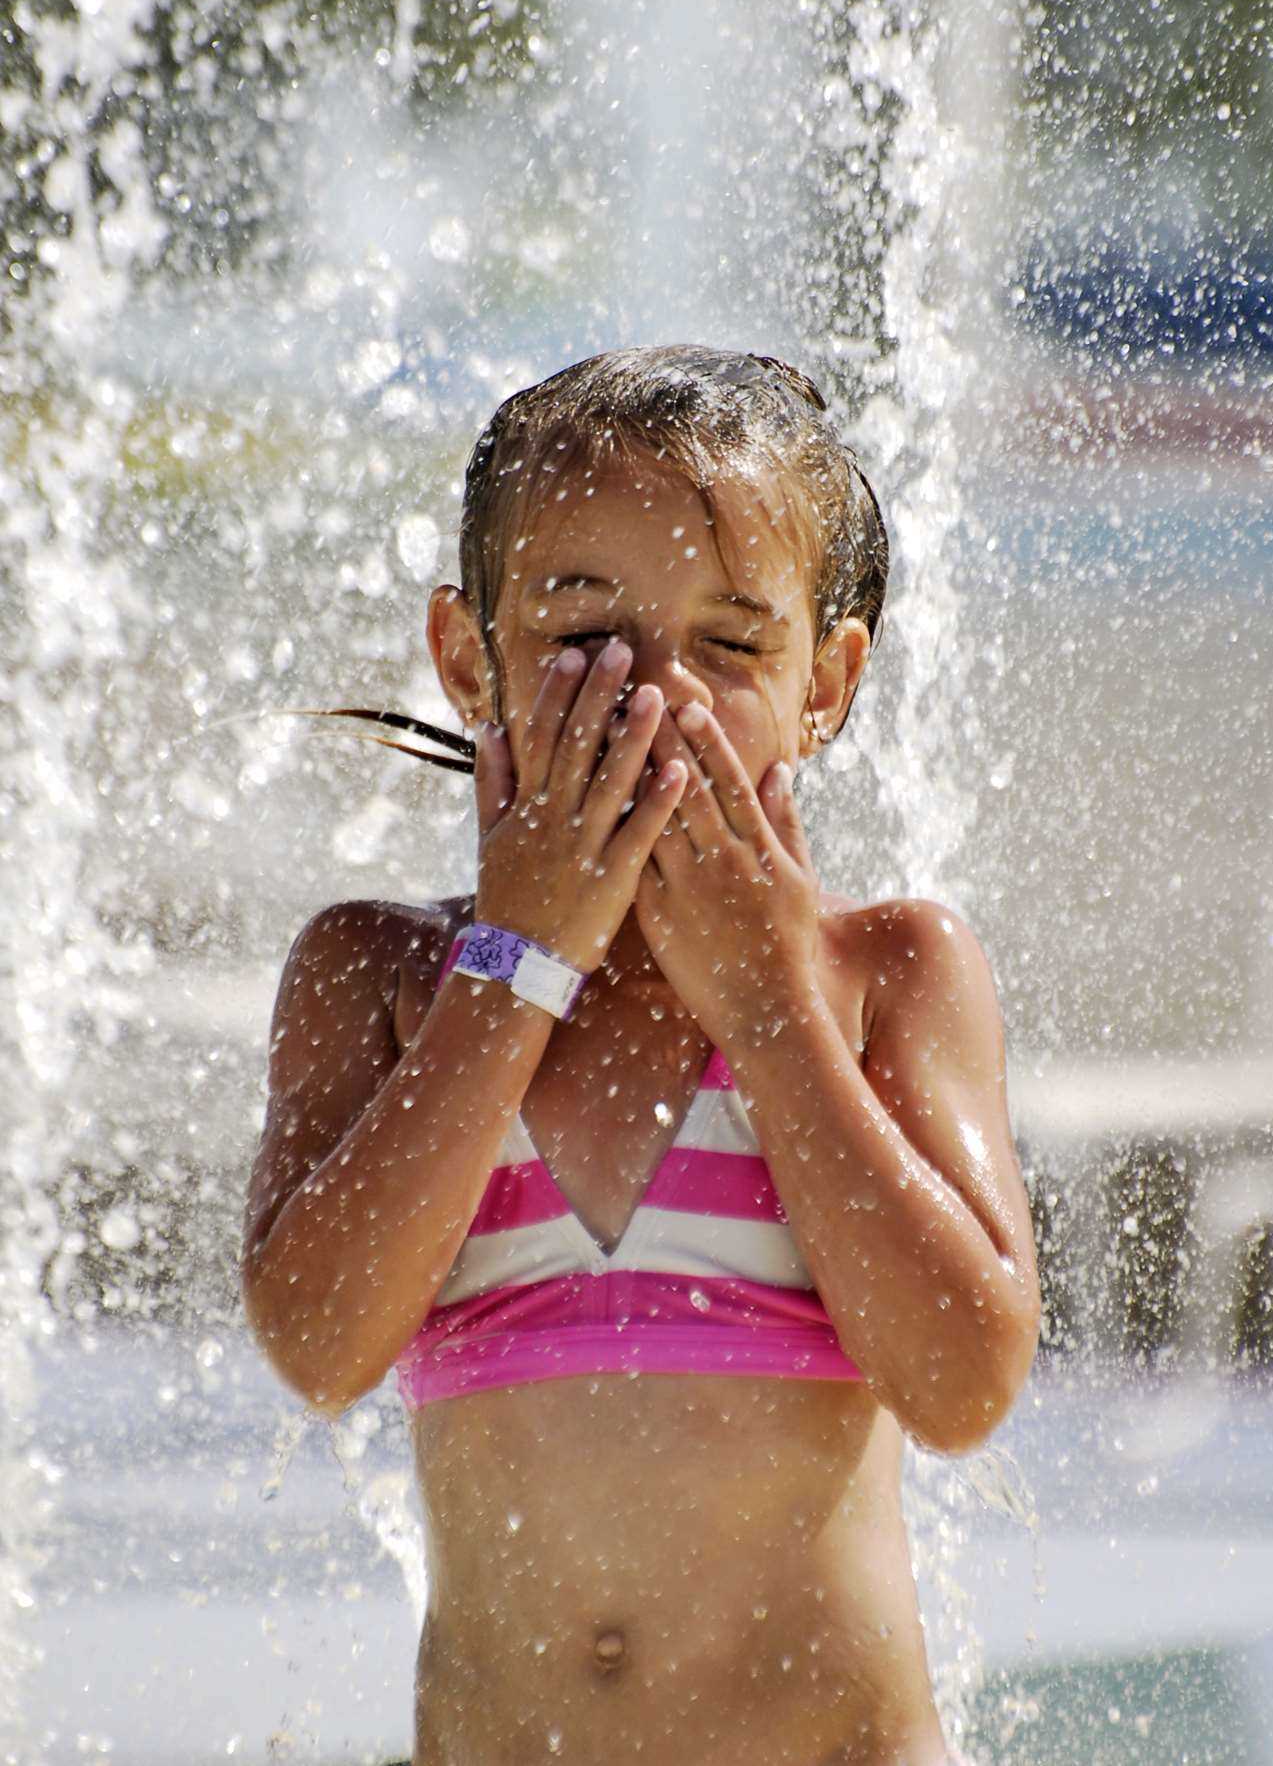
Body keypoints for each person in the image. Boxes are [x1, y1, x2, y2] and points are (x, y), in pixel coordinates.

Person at [241, 345, 1040, 1766]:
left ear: (826, 682)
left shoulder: (882, 977)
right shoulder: (378, 979)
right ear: (464, 657)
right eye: (580, 631)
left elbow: (961, 1380)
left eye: (730, 645)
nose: (655, 691)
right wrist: (516, 961)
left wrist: (775, 1019)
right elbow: (316, 1342)